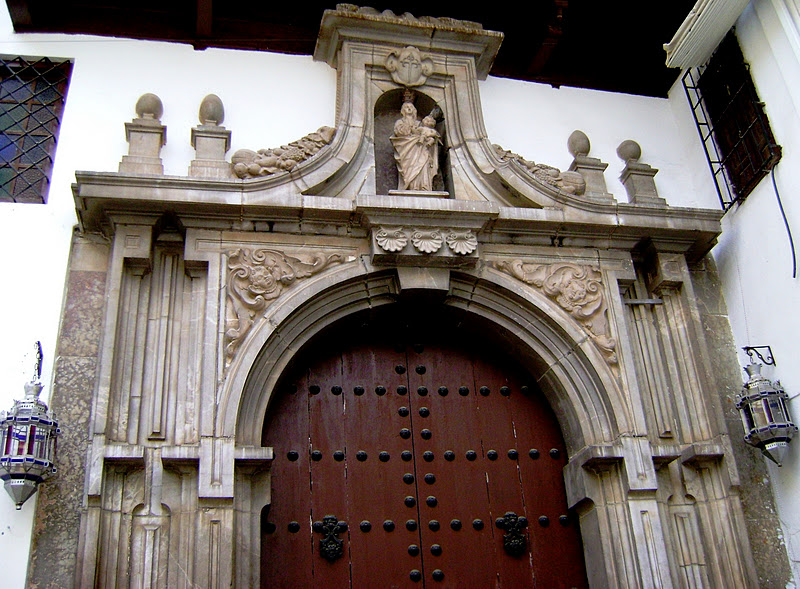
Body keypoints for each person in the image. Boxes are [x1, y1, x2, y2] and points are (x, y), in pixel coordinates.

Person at [390, 101, 440, 191]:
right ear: (403, 110)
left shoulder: (419, 123)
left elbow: (429, 132)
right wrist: (410, 130)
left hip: (421, 148)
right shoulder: (400, 122)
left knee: (422, 164)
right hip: (406, 148)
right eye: (406, 107)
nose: (409, 108)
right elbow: (398, 132)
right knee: (409, 167)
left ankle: (423, 186)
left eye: (411, 107)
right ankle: (413, 186)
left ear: (414, 110)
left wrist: (430, 138)